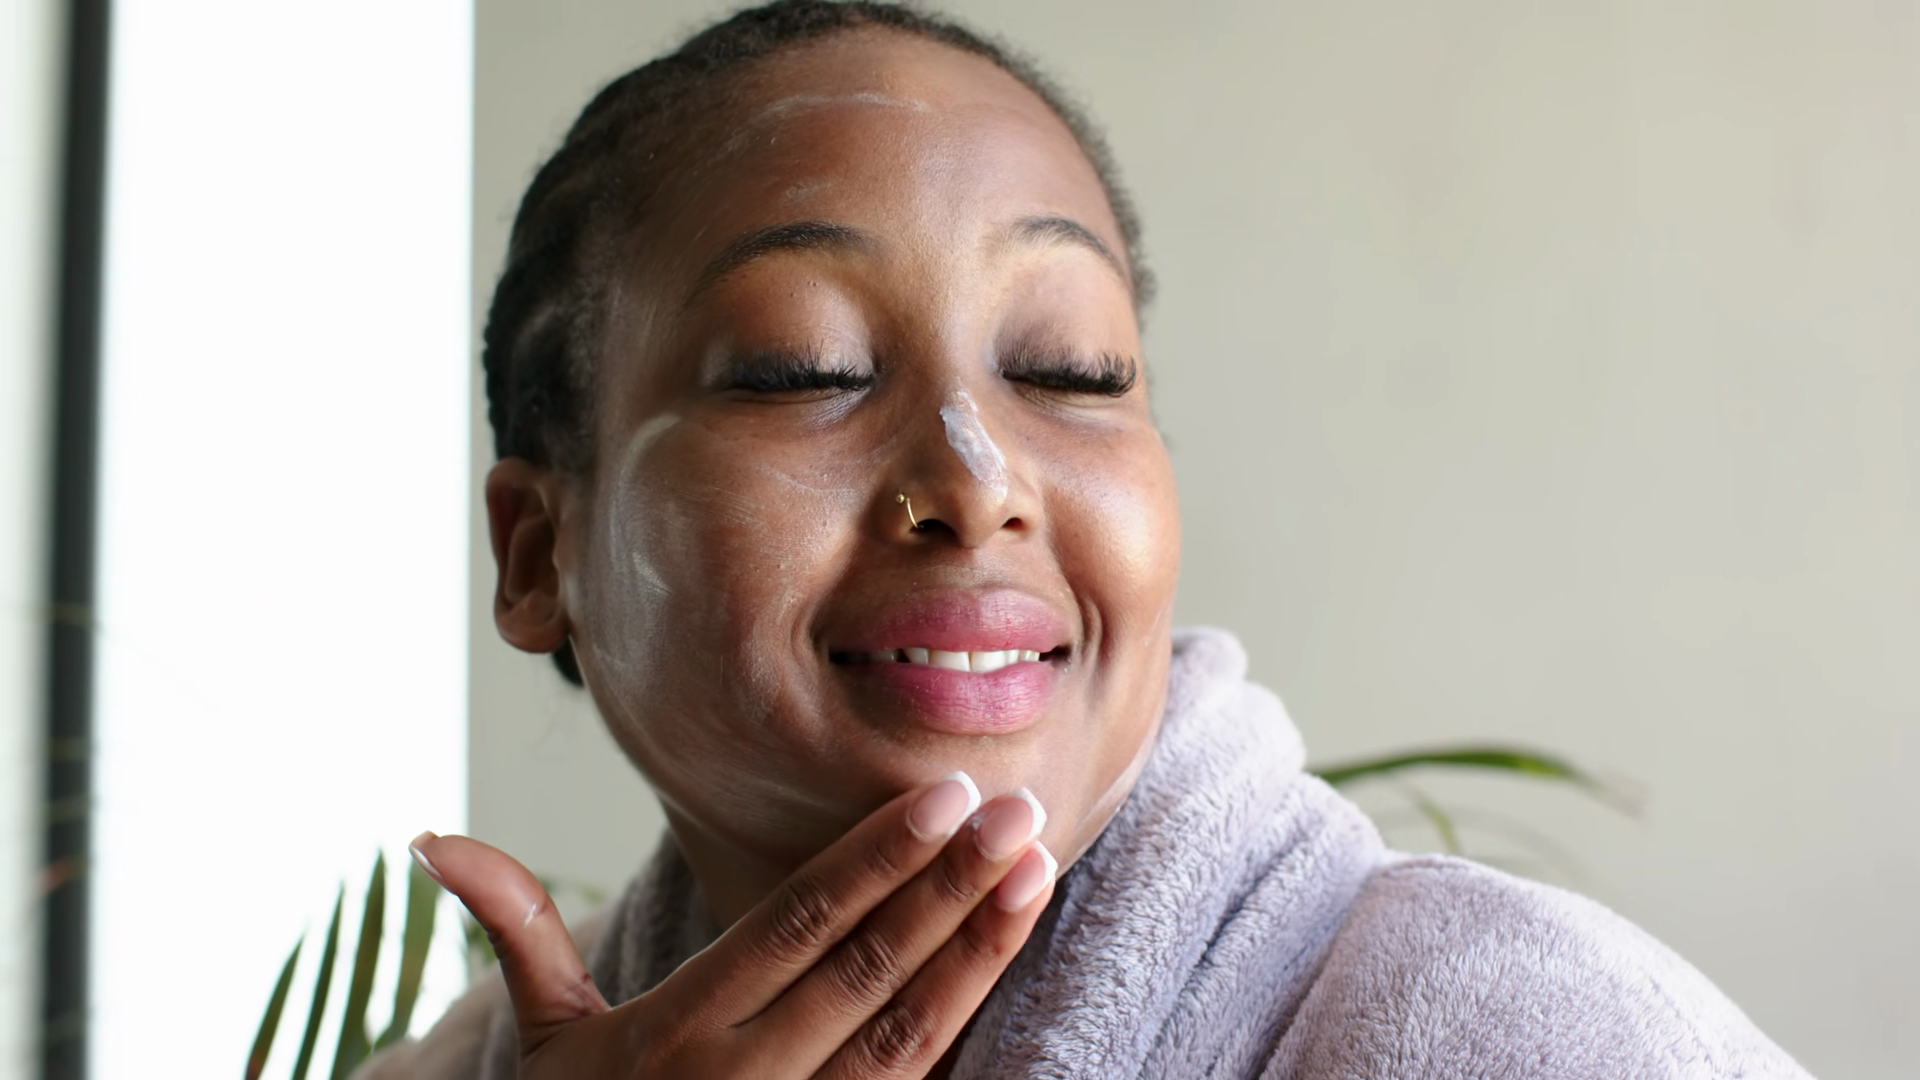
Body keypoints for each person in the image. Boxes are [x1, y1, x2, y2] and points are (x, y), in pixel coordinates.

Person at [359, 2, 1812, 1076]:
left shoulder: (1542, 1037)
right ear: (539, 554)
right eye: (807, 368)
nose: (976, 480)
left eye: (1071, 372)